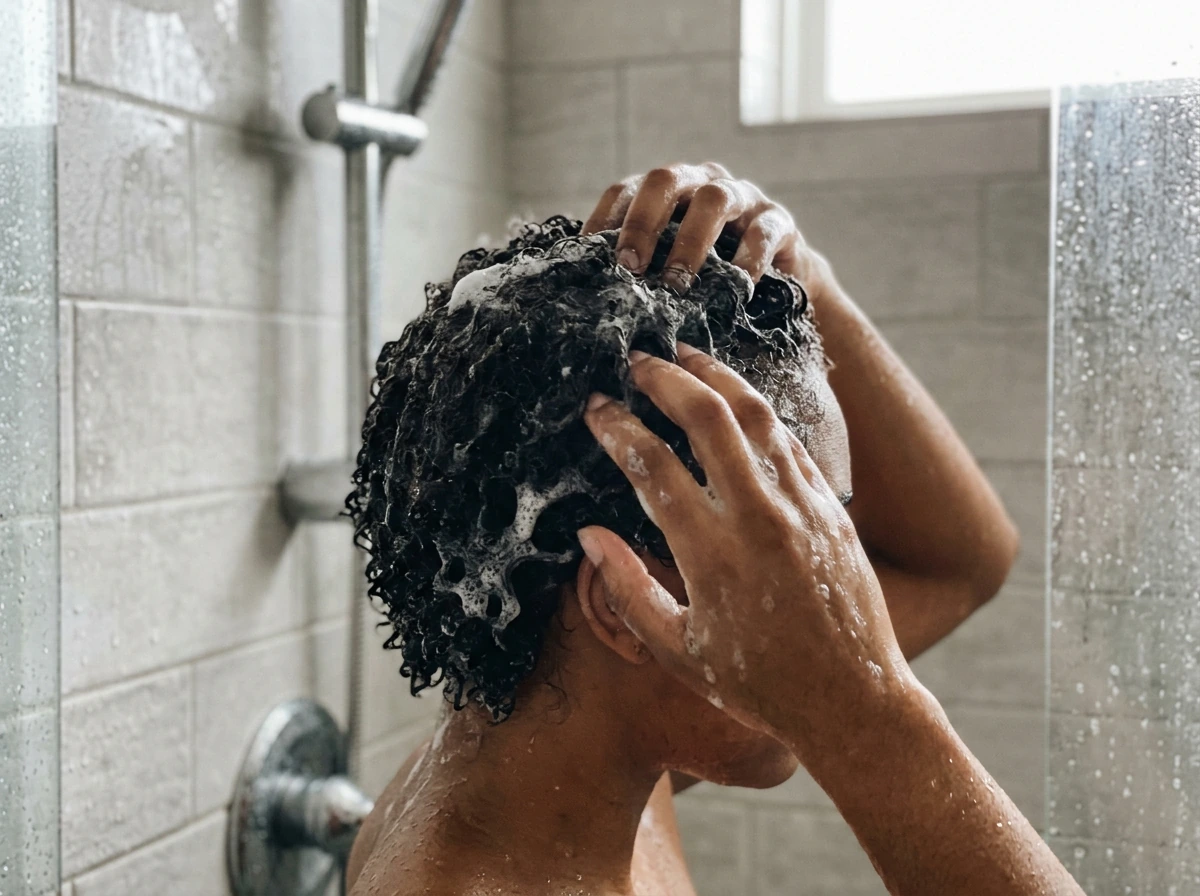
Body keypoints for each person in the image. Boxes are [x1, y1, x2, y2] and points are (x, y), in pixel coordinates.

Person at [345, 162, 1068, 895]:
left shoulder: (557, 760)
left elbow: (956, 564)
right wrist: (863, 717)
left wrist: (807, 279)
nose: (843, 587)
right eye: (786, 539)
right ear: (625, 605)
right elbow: (952, 572)